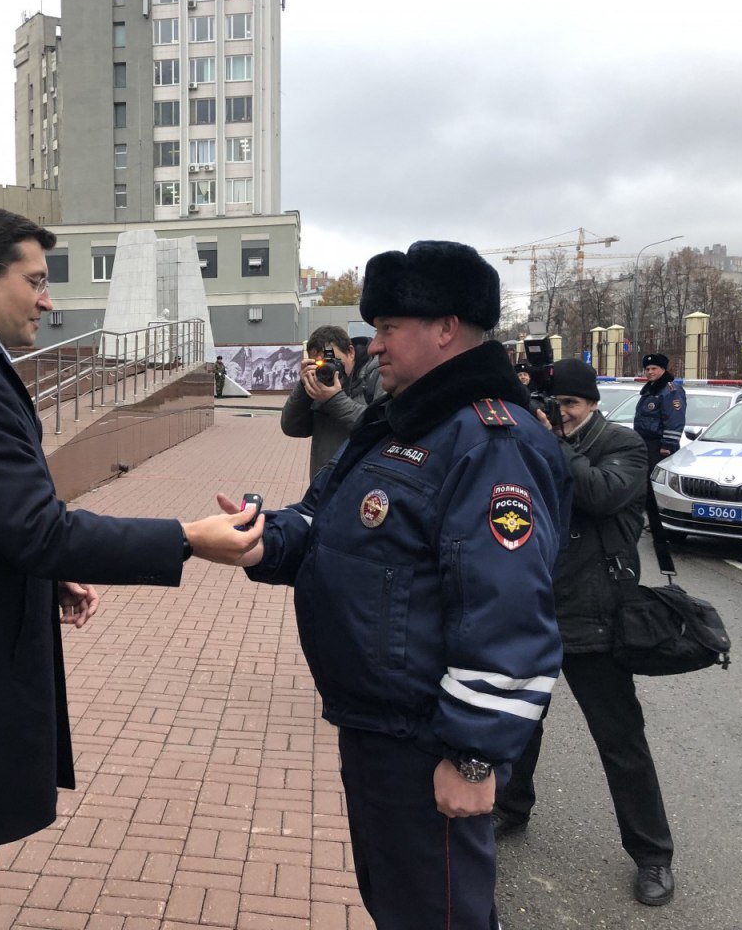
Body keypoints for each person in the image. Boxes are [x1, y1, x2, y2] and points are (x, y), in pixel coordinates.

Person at [0, 208, 264, 930]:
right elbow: (38, 528)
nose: (47, 299)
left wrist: (41, 572)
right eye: (34, 281)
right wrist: (187, 537)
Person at [229, 241, 571, 930]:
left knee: (440, 914)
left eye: (388, 329)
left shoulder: (489, 441)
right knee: (398, 905)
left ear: (445, 327)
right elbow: (324, 520)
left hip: (428, 740)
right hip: (378, 727)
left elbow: (507, 610)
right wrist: (259, 537)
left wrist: (472, 756)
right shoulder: (400, 423)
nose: (373, 346)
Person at [491, 358, 676, 906]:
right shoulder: (546, 440)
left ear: (591, 403)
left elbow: (598, 495)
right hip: (540, 609)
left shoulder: (624, 446)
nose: (562, 414)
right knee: (521, 723)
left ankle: (653, 855)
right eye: (556, 406)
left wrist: (555, 442)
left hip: (597, 615)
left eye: (570, 405)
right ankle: (512, 807)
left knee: (620, 742)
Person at [279, 325, 383, 479]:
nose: (329, 368)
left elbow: (380, 426)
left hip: (363, 484)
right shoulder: (320, 384)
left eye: (332, 360)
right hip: (324, 485)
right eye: (320, 364)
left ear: (351, 352)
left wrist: (334, 399)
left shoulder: (377, 375)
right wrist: (304, 386)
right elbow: (291, 428)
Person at [632, 353, 686, 471]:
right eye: (647, 369)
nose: (650, 372)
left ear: (663, 369)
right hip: (647, 444)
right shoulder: (651, 389)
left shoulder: (671, 390)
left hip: (660, 446)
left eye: (654, 368)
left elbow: (674, 419)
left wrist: (668, 445)